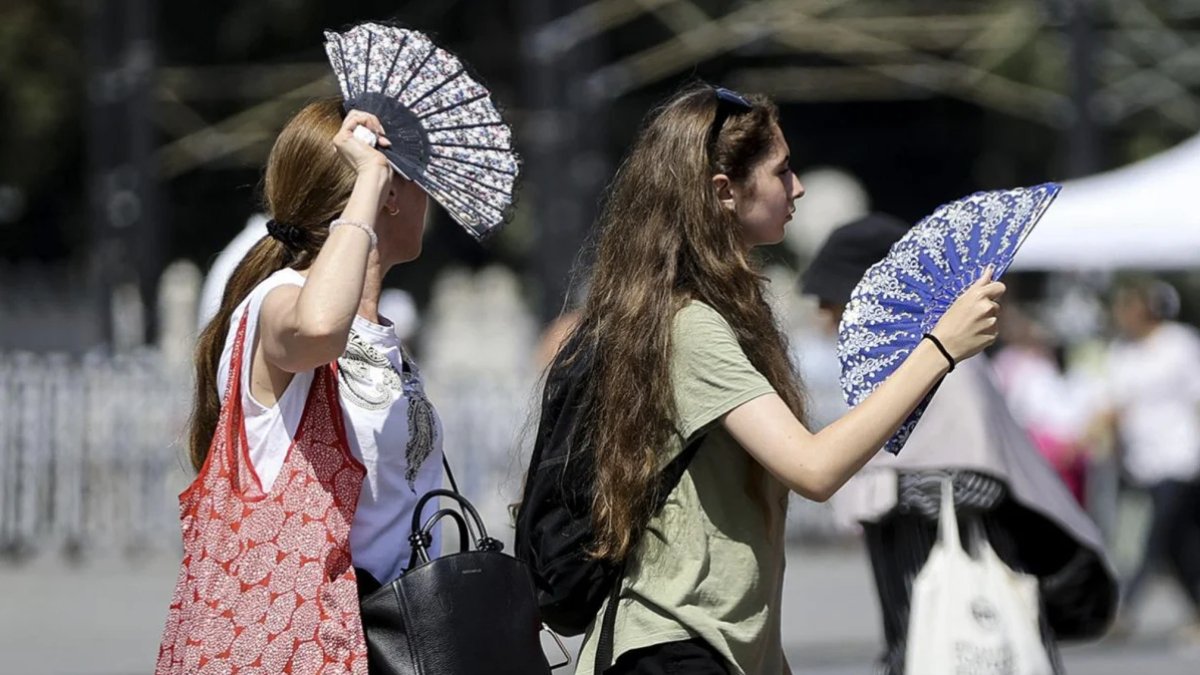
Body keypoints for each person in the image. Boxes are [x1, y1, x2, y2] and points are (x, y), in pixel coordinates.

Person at [555, 83, 1006, 675]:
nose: (798, 188)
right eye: (782, 171)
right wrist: (939, 348)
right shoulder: (689, 327)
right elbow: (814, 469)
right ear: (724, 192)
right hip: (673, 647)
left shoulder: (717, 315)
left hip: (718, 648)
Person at [157, 99, 443, 673]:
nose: (430, 197)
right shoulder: (278, 302)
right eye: (419, 178)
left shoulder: (385, 339)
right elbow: (319, 328)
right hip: (291, 646)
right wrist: (369, 181)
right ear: (386, 190)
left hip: (377, 640)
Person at [802, 213, 1117, 674]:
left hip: (968, 606)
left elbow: (981, 483)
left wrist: (879, 487)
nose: (824, 317)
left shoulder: (946, 362)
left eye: (832, 300)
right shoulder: (899, 364)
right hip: (916, 610)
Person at [1101, 278, 1200, 640]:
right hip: (1142, 460)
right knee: (1179, 544)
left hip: (1180, 456)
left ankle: (1124, 608)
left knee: (1154, 536)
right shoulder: (1122, 352)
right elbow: (1117, 405)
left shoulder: (1180, 345)